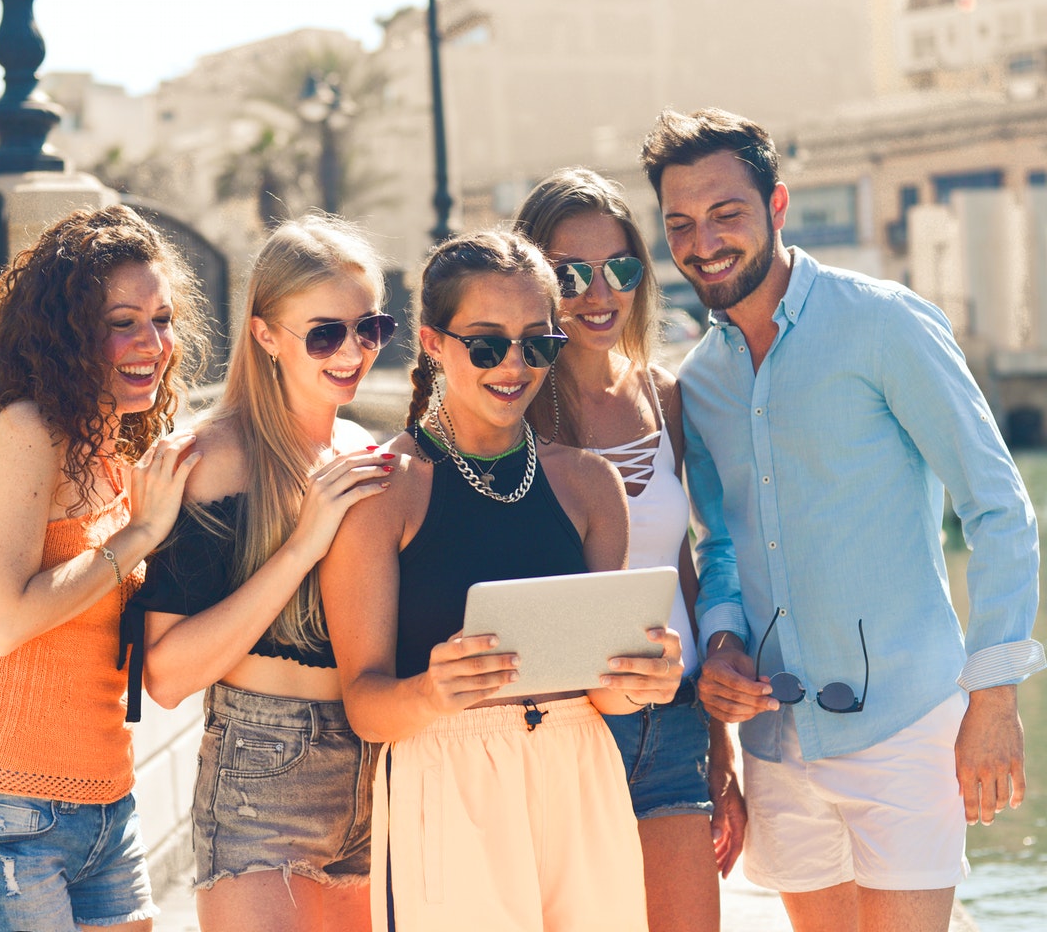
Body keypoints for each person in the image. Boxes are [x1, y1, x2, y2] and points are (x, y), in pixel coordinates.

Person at [639, 107, 1044, 932]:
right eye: (680, 224)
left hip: (906, 725)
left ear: (778, 207)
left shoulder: (882, 323)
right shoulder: (701, 380)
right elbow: (716, 545)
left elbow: (998, 506)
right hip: (778, 746)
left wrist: (994, 696)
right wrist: (720, 641)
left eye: (727, 215)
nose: (703, 242)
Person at [320, 230, 684, 932]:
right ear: (433, 341)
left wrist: (644, 678)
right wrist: (430, 690)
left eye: (537, 343)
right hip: (446, 773)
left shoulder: (590, 485)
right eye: (486, 344)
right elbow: (366, 706)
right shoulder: (382, 493)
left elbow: (605, 693)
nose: (513, 365)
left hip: (582, 770)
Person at [0, 205, 209, 932]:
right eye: (123, 322)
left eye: (162, 319)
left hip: (108, 808)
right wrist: (139, 535)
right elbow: (1, 623)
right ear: (69, 332)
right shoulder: (28, 429)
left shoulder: (117, 451)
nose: (152, 343)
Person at [129, 215, 398, 932]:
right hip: (263, 774)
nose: (352, 351)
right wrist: (302, 545)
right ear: (265, 334)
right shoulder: (213, 459)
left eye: (369, 328)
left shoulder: (361, 446)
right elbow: (167, 676)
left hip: (377, 766)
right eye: (324, 333)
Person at [512, 167, 747, 932]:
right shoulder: (510, 411)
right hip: (562, 727)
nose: (596, 292)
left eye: (618, 267)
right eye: (569, 273)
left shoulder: (661, 394)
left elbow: (680, 567)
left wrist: (720, 745)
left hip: (672, 717)